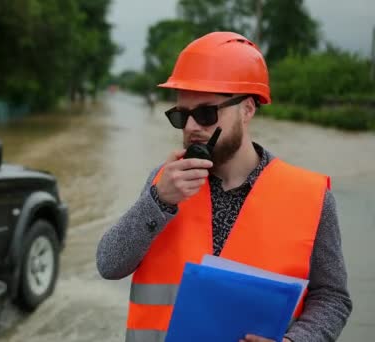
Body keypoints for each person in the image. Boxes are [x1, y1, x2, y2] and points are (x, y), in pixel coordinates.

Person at [96, 32, 352, 342]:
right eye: (181, 116)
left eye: (206, 113)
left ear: (247, 109)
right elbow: (108, 264)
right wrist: (158, 201)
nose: (191, 127)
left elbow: (333, 298)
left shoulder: (312, 198)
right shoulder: (164, 183)